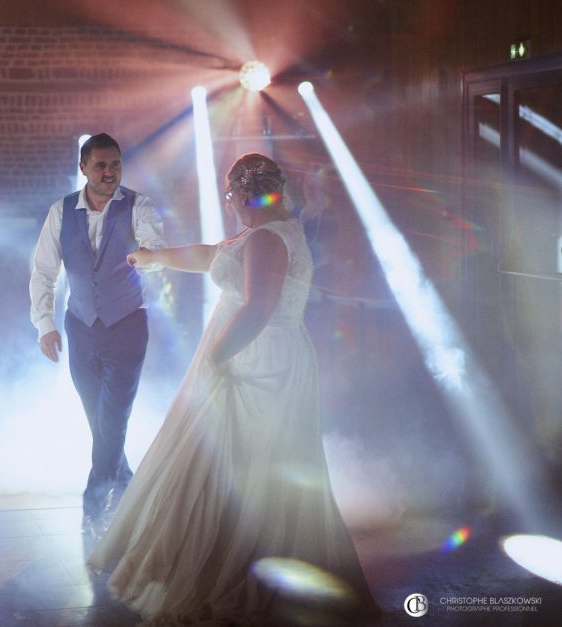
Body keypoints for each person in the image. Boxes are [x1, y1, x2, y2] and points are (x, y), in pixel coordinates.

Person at [88, 154, 381, 624]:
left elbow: (259, 307)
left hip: (255, 361)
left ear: (246, 194)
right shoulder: (264, 230)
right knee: (229, 466)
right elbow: (213, 256)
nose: (229, 206)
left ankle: (241, 569)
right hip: (253, 353)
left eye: (230, 196)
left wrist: (218, 358)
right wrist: (156, 257)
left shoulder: (268, 237)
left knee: (238, 467)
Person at [29, 133, 165, 532]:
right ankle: (128, 487)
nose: (110, 173)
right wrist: (45, 324)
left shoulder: (139, 205)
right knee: (97, 419)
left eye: (116, 164)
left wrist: (148, 257)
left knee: (114, 417)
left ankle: (94, 502)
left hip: (126, 326)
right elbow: (43, 271)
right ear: (83, 168)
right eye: (101, 165)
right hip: (80, 327)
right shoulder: (61, 210)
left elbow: (156, 247)